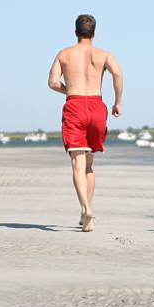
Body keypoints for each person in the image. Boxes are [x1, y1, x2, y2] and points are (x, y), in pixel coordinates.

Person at [48, 14, 123, 232]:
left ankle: (86, 208)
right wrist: (118, 102)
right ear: (94, 32)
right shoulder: (103, 54)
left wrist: (69, 90)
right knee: (89, 165)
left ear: (75, 31)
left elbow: (52, 82)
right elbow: (118, 74)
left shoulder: (64, 54)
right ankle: (85, 212)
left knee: (77, 164)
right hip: (97, 106)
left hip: (75, 106)